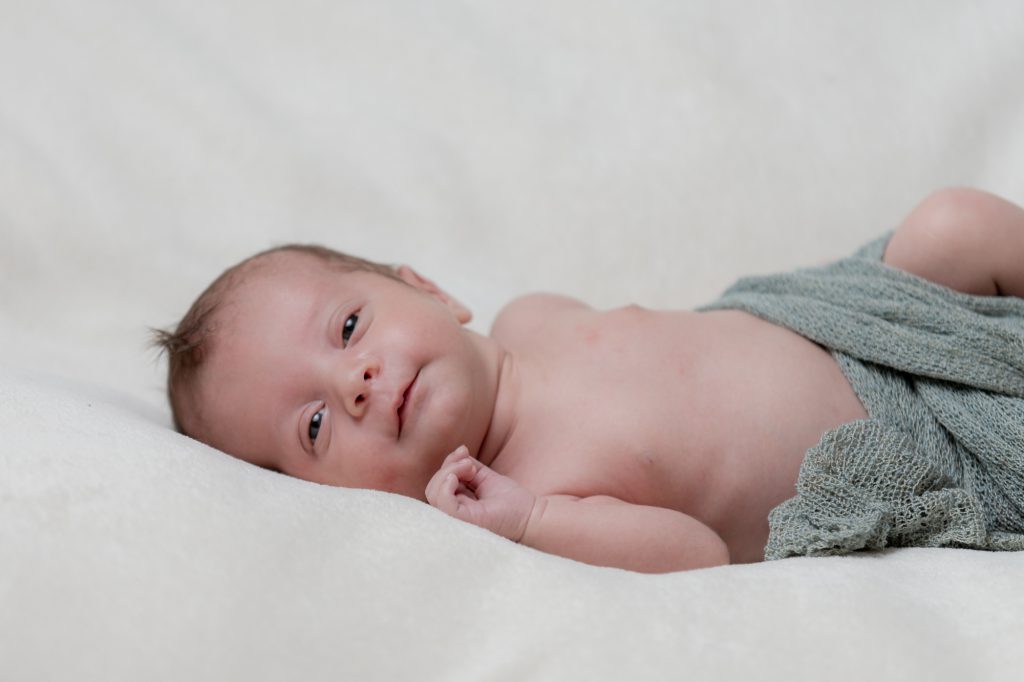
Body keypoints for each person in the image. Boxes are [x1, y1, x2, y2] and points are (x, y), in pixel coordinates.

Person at [152, 187, 1024, 573]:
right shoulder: (537, 494)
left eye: (348, 328)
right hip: (912, 438)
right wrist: (530, 521)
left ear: (429, 289)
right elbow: (697, 553)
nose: (356, 382)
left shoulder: (533, 314)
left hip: (854, 320)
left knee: (956, 221)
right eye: (312, 428)